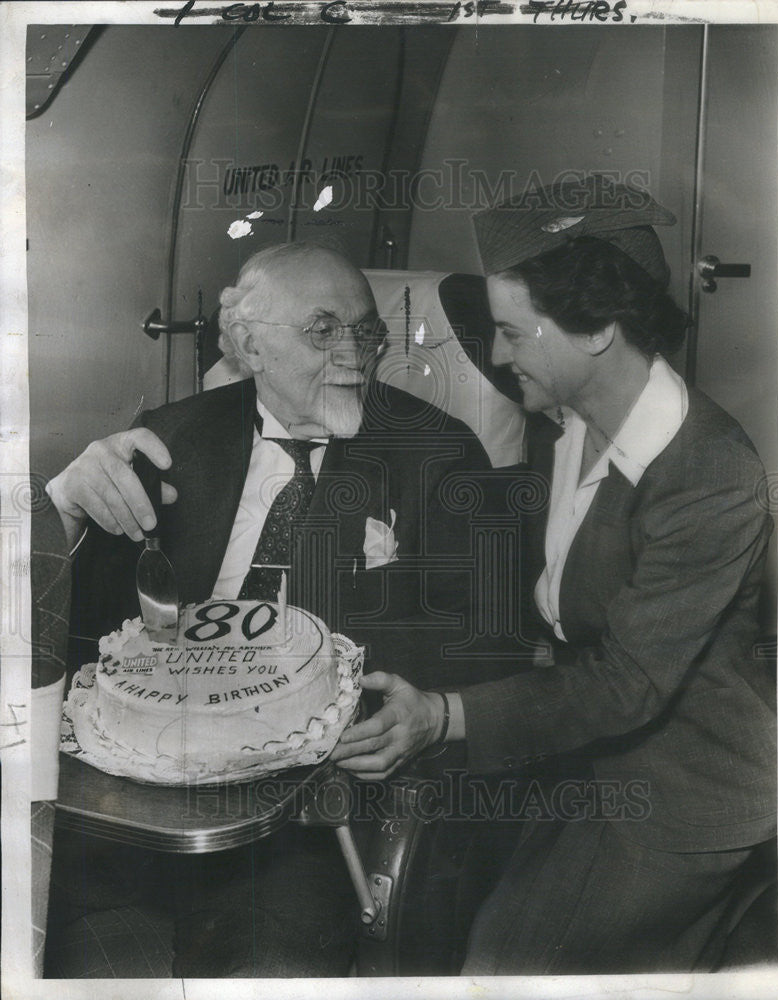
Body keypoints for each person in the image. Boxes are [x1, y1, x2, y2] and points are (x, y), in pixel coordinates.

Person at [332, 176, 777, 974]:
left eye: (513, 333)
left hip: (679, 791)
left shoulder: (711, 474)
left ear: (599, 329)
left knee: (502, 968)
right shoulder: (567, 423)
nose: (497, 356)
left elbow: (625, 684)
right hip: (580, 755)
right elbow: (538, 596)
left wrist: (442, 714)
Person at [45, 242, 520, 977]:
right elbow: (78, 634)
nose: (354, 355)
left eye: (366, 331)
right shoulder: (170, 438)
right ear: (250, 345)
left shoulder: (439, 454)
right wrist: (62, 510)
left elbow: (488, 646)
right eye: (322, 330)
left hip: (305, 802)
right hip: (136, 786)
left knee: (265, 963)